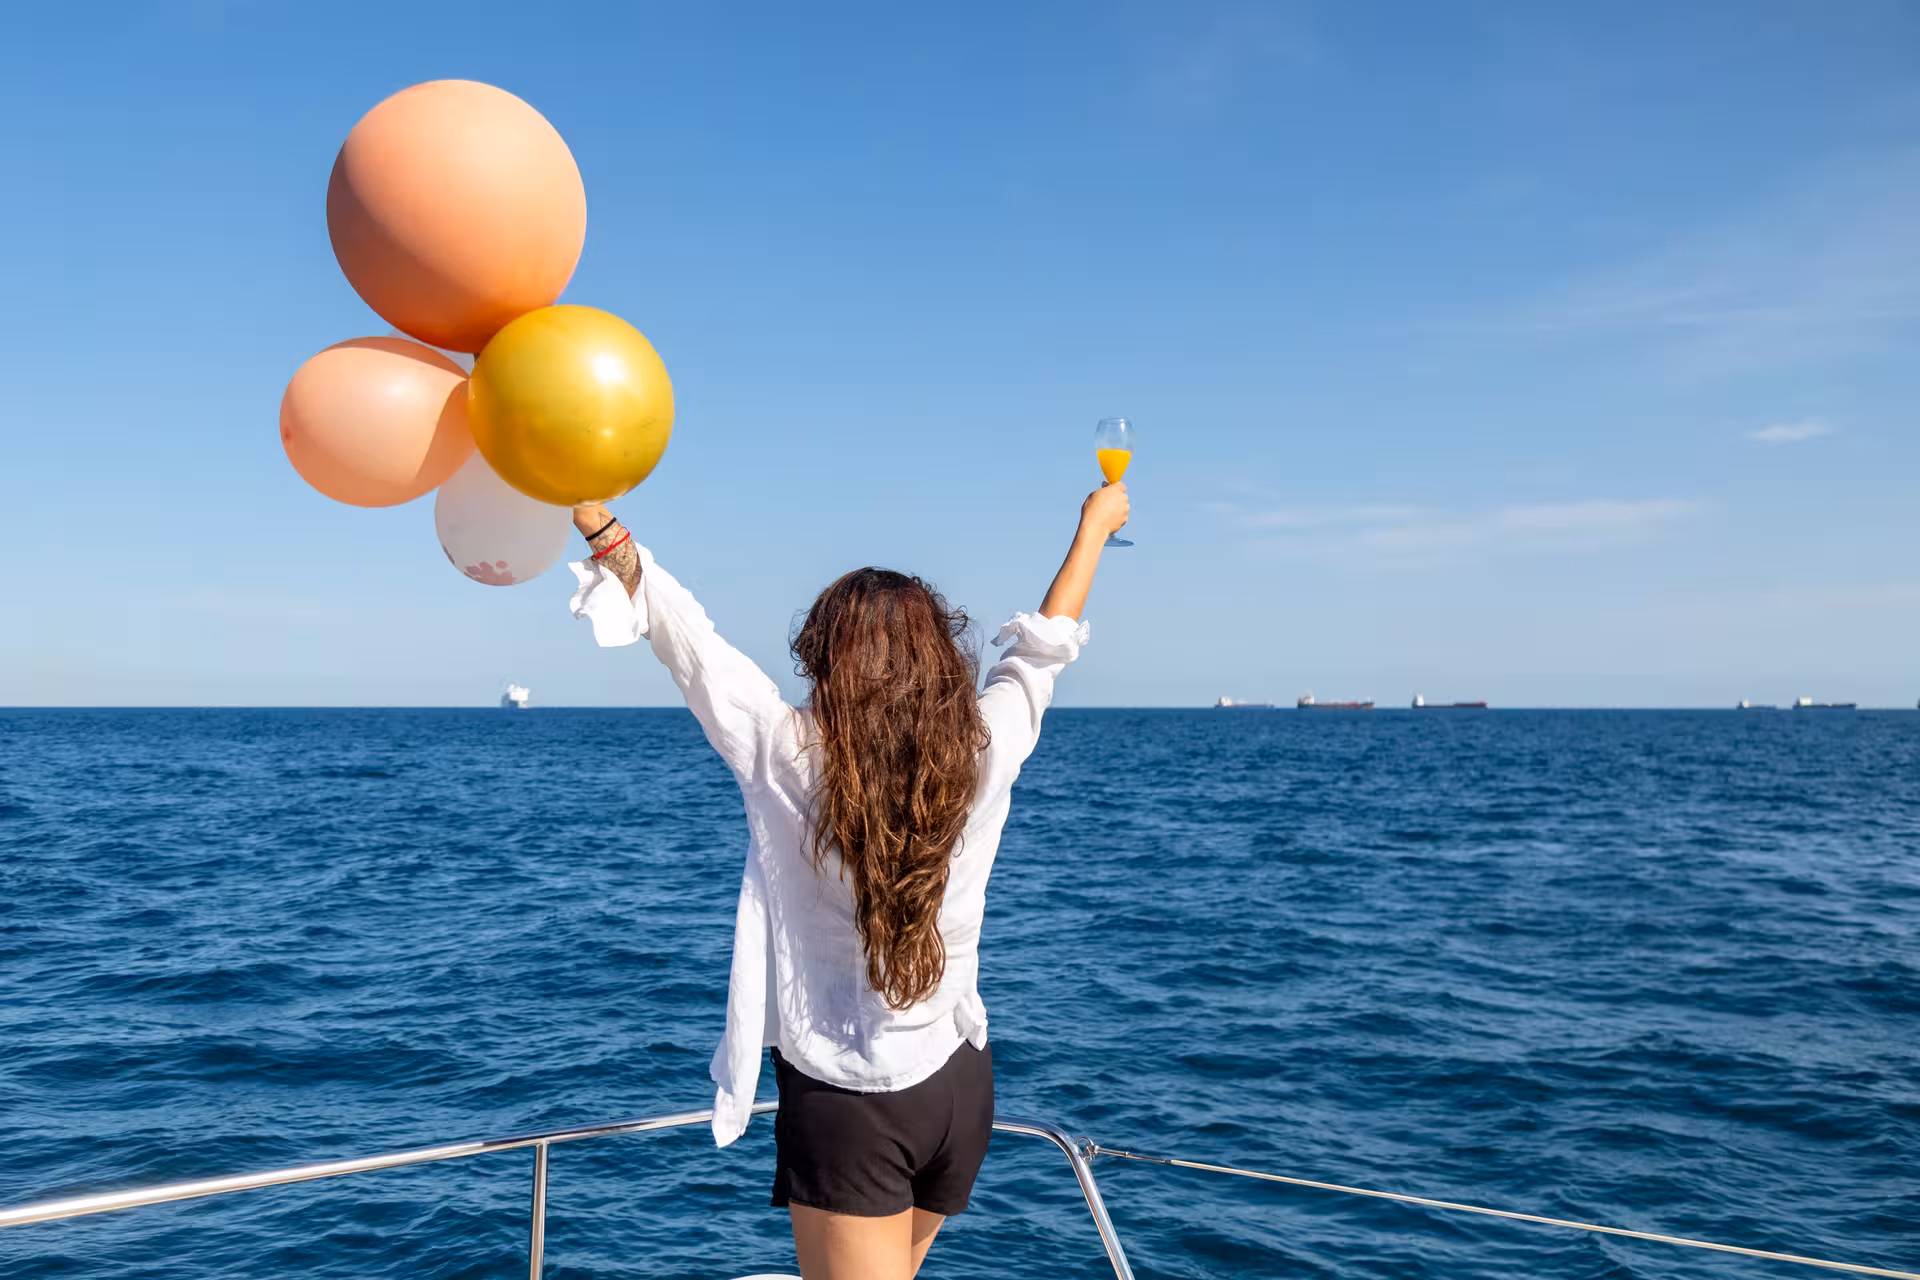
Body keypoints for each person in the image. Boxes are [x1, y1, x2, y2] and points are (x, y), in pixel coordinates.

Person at [565, 480, 1130, 1280]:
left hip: (850, 1100)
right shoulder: (983, 750)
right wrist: (1094, 529)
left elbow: (688, 644)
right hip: (960, 1085)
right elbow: (1042, 648)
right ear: (939, 657)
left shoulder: (787, 755)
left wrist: (604, 528)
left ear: (824, 657)